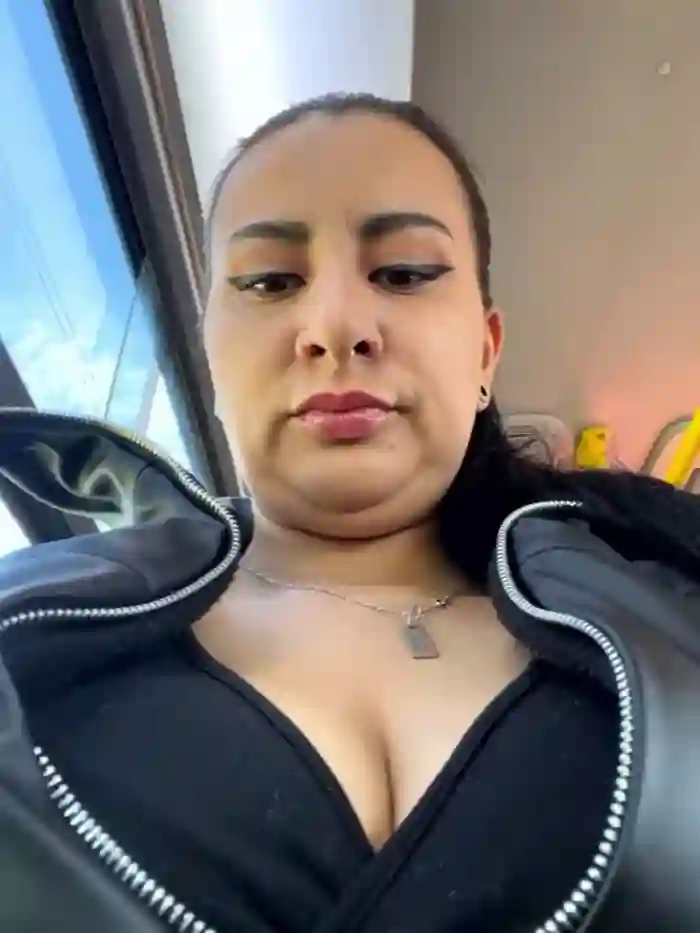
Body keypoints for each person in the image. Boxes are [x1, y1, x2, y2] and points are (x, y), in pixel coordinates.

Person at [1, 92, 700, 933]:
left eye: (403, 273)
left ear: (485, 352)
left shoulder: (670, 599)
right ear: (211, 358)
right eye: (270, 281)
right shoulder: (28, 622)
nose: (335, 326)